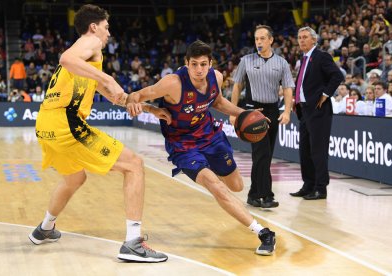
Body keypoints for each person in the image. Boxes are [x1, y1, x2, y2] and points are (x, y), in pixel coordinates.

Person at [28, 4, 169, 263]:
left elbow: (114, 96)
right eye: (106, 27)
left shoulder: (88, 62)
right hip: (65, 122)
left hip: (46, 125)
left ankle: (44, 228)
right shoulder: (89, 42)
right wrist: (109, 79)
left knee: (74, 178)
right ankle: (133, 243)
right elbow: (65, 59)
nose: (108, 33)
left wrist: (148, 108)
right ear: (94, 27)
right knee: (134, 164)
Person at [126, 40, 277, 256]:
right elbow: (137, 95)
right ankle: (263, 232)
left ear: (210, 64)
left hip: (210, 135)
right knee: (215, 185)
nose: (199, 70)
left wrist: (242, 114)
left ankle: (213, 175)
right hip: (183, 145)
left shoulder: (216, 77)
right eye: (194, 64)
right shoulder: (172, 83)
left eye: (203, 64)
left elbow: (217, 102)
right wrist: (142, 105)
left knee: (236, 186)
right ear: (186, 63)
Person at [230, 25, 294, 208]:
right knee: (262, 153)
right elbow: (237, 86)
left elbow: (288, 88)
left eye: (262, 39)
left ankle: (253, 194)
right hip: (253, 111)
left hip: (273, 110)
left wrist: (287, 111)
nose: (258, 42)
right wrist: (234, 112)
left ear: (271, 40)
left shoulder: (282, 63)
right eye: (256, 39)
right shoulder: (246, 60)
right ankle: (266, 195)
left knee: (265, 155)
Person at [290, 27, 344, 200]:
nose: (301, 40)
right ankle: (308, 185)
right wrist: (295, 100)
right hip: (304, 110)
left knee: (318, 151)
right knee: (304, 150)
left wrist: (326, 94)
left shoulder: (321, 56)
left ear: (314, 40)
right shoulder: (304, 59)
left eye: (305, 37)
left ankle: (321, 188)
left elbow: (337, 76)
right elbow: (303, 84)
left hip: (319, 110)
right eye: (299, 38)